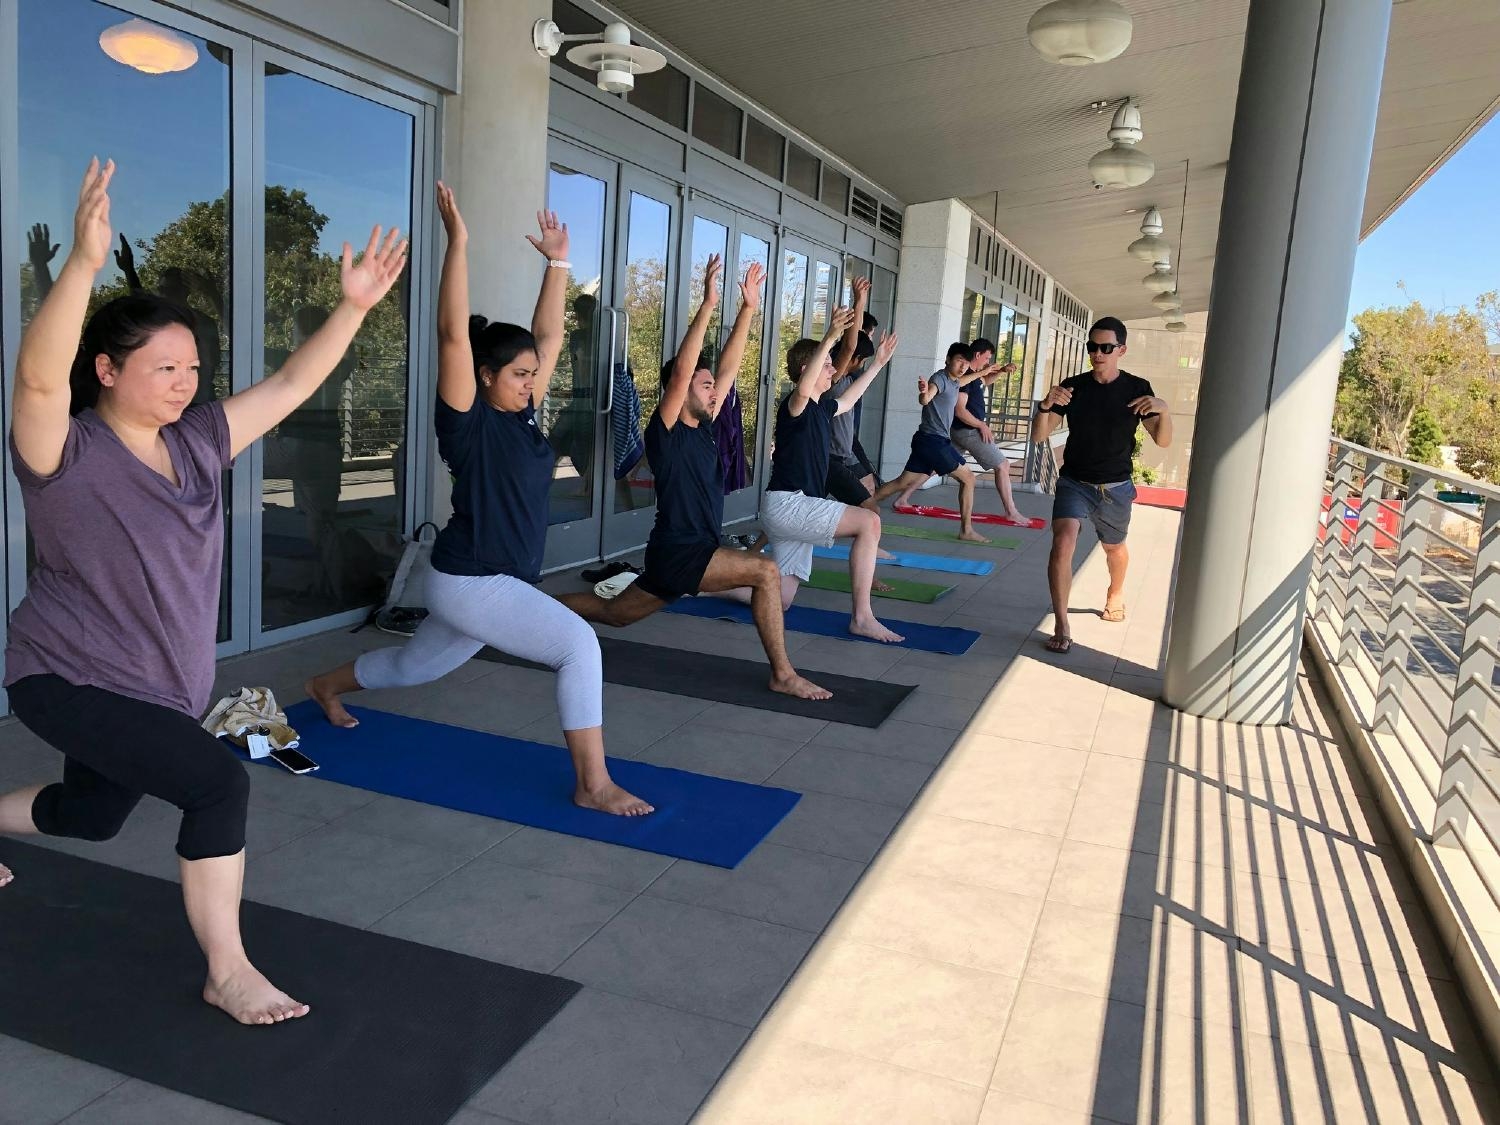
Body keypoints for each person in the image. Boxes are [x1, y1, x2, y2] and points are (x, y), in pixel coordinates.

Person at [0, 158, 407, 1025]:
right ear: (106, 370)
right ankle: (228, 969)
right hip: (68, 677)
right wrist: (80, 263)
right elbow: (36, 380)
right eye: (164, 367)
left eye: (192, 365)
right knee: (216, 787)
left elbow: (296, 383)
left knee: (90, 815)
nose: (186, 381)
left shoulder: (197, 442)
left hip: (159, 687)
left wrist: (355, 305)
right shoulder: (63, 455)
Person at [305, 183, 653, 817]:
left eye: (531, 374)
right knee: (580, 645)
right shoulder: (467, 422)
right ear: (486, 376)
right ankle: (593, 783)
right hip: (475, 580)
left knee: (417, 668)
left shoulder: (520, 415)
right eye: (519, 375)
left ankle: (326, 685)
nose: (531, 383)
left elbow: (545, 337)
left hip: (478, 580)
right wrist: (457, 244)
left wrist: (558, 265)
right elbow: (451, 337)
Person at [558, 256, 831, 701]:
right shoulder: (665, 430)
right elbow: (685, 371)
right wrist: (707, 305)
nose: (713, 390)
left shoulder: (704, 426)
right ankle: (782, 673)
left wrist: (747, 310)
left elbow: (728, 368)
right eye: (703, 386)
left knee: (617, 614)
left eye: (711, 386)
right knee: (765, 572)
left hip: (684, 550)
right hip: (683, 550)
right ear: (679, 391)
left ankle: (531, 614)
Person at [757, 310, 904, 643]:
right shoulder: (794, 406)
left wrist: (879, 363)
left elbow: (849, 400)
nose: (834, 369)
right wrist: (830, 337)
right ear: (807, 370)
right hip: (790, 505)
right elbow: (806, 386)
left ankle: (705, 588)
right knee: (869, 522)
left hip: (793, 508)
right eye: (826, 365)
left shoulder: (823, 408)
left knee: (780, 600)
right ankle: (862, 617)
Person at [1031, 316, 1172, 654]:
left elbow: (1162, 441)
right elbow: (1039, 435)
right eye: (1092, 347)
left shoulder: (1137, 389)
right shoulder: (1073, 386)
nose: (1097, 353)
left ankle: (1115, 592)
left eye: (1105, 347)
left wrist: (1164, 410)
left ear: (1121, 350)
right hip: (1074, 482)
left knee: (1114, 549)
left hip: (1116, 486)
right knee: (1063, 542)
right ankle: (1063, 623)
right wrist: (1046, 405)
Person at [872, 342, 996, 543]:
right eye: (958, 361)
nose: (962, 366)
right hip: (934, 442)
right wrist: (923, 393)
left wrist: (986, 371)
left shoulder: (956, 381)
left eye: (965, 363)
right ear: (947, 360)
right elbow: (927, 398)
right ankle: (966, 530)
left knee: (902, 482)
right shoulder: (939, 379)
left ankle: (863, 504)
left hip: (925, 440)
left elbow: (967, 379)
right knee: (968, 479)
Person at [948, 337, 1027, 525]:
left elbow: (985, 381)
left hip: (963, 430)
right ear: (977, 355)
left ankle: (903, 496)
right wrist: (981, 425)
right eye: (986, 358)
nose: (988, 362)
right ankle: (1011, 511)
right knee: (1002, 465)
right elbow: (959, 410)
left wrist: (1001, 371)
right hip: (968, 430)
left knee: (937, 464)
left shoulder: (975, 374)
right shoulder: (966, 374)